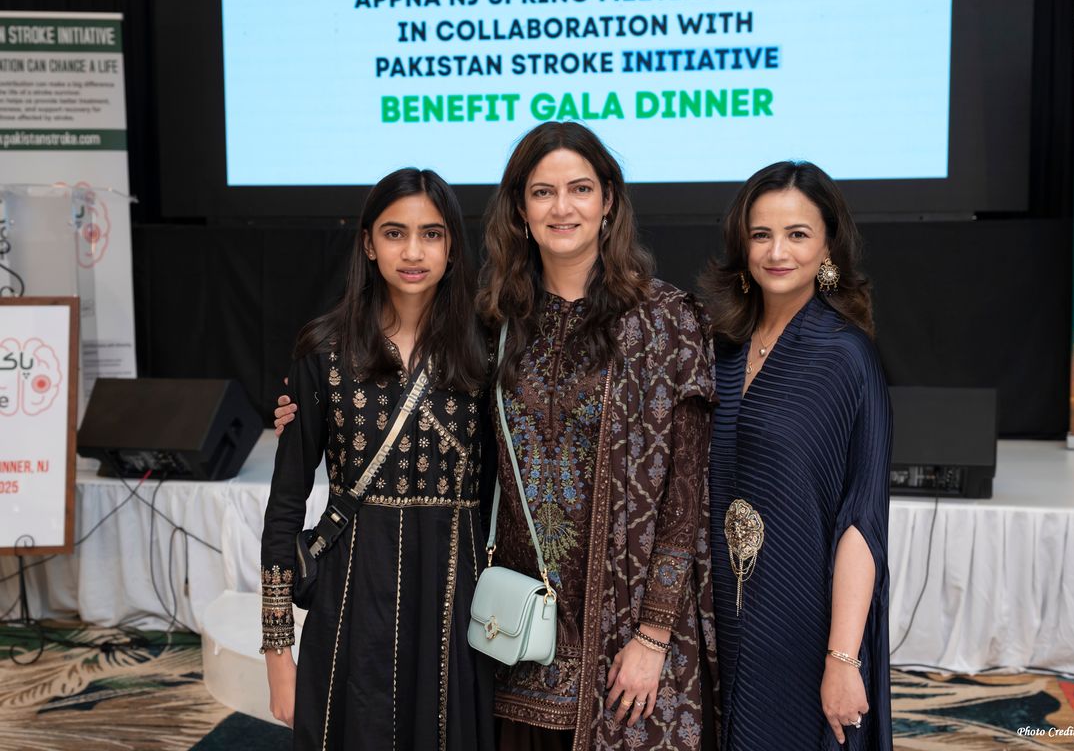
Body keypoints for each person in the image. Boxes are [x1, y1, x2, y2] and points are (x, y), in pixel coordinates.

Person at [477, 121, 719, 750]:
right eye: (543, 192)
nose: (563, 208)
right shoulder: (493, 323)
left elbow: (684, 496)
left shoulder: (668, 321)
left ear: (608, 200)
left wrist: (654, 635)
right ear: (520, 210)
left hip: (628, 639)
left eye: (580, 189)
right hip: (520, 635)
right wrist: (303, 402)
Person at [260, 168, 494, 751]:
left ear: (452, 245)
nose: (413, 251)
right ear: (368, 243)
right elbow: (286, 500)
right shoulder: (323, 349)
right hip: (350, 594)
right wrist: (276, 652)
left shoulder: (490, 346)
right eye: (395, 233)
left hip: (455, 593)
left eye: (432, 234)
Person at [699, 161, 892, 750]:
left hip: (805, 627)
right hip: (714, 628)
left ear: (827, 246)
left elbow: (862, 523)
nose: (777, 251)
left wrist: (843, 657)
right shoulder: (719, 352)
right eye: (761, 235)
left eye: (798, 234)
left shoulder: (847, 359)